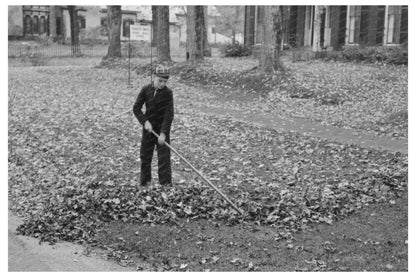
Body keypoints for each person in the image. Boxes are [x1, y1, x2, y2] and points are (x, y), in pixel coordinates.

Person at [133, 65, 174, 186]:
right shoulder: (146, 89)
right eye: (160, 81)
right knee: (145, 156)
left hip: (162, 129)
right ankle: (145, 181)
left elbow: (169, 115)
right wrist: (145, 122)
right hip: (148, 129)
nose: (162, 84)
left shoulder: (168, 93)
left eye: (165, 82)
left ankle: (165, 184)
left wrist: (163, 133)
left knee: (164, 158)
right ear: (154, 77)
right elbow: (136, 108)